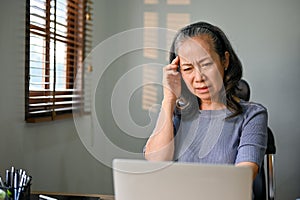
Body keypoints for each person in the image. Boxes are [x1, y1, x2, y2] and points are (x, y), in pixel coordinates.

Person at [143, 21, 268, 181]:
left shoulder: (252, 115)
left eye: (206, 64)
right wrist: (169, 100)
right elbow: (156, 162)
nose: (199, 78)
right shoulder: (176, 114)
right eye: (188, 69)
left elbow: (243, 177)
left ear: (225, 61)